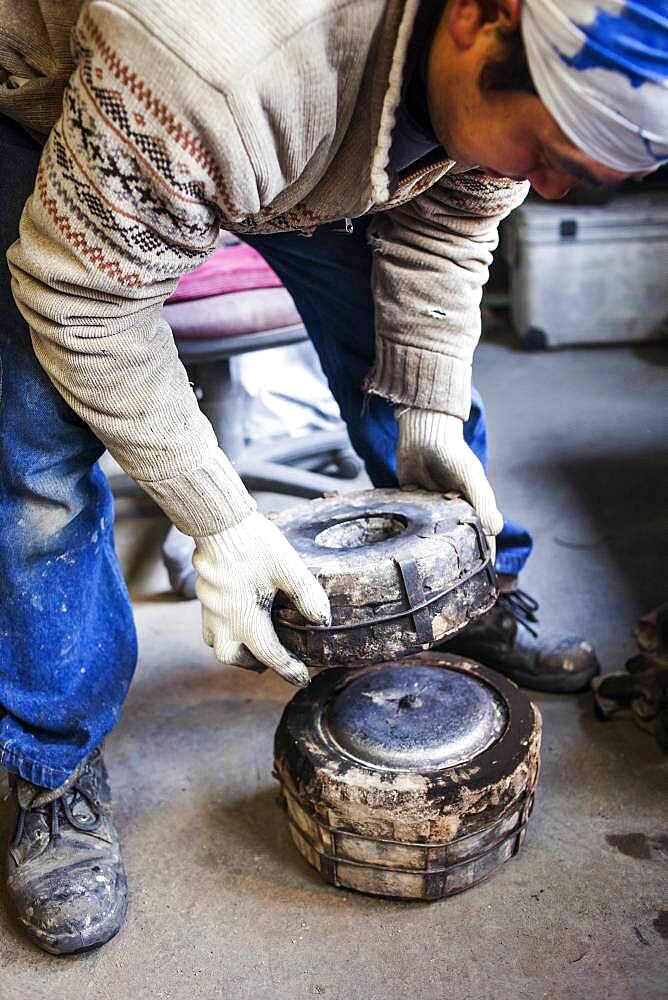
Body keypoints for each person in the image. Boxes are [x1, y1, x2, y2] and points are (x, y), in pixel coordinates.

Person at [1, 0, 665, 954]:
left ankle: (464, 591)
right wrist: (219, 519)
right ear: (483, 21)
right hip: (62, 103)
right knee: (32, 445)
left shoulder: (518, 90)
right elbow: (86, 304)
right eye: (552, 152)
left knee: (402, 373)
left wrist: (429, 414)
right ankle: (50, 762)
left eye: (589, 179)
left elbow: (445, 228)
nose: (553, 192)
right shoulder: (222, 68)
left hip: (314, 129)